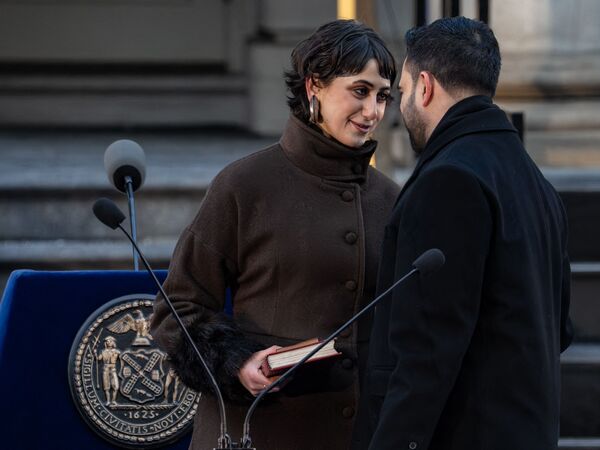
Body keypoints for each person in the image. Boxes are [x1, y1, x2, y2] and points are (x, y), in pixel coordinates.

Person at [150, 19, 400, 450]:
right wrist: (236, 363)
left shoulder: (391, 198)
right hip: (259, 431)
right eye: (359, 91)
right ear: (314, 86)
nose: (373, 111)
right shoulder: (244, 184)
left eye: (383, 96)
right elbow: (175, 311)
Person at [352, 16, 573, 450]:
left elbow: (425, 353)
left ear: (426, 86)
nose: (402, 106)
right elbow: (559, 329)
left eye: (402, 93)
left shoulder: (448, 179)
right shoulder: (535, 182)